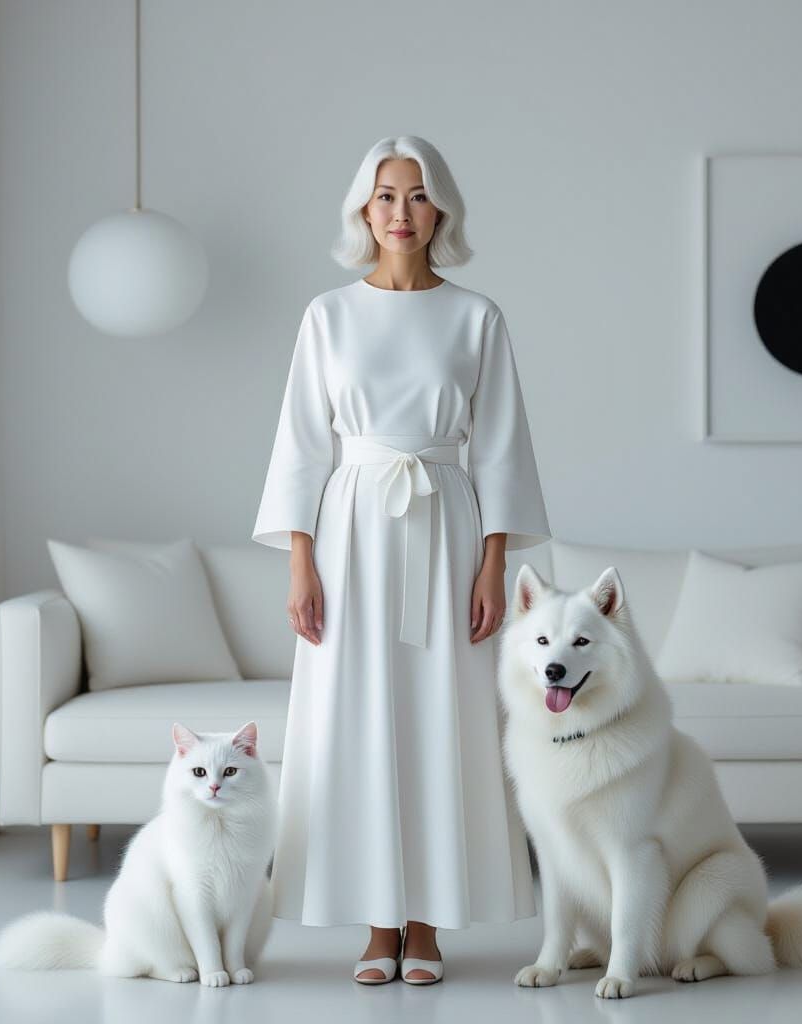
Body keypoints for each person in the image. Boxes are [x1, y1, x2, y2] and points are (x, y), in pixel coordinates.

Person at [251, 135, 552, 985]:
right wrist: (300, 566)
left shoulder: (476, 316)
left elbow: (500, 450)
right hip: (350, 529)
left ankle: (427, 926)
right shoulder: (327, 315)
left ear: (441, 209)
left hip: (448, 527)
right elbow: (302, 447)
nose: (400, 212)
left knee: (441, 717)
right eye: (385, 196)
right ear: (362, 209)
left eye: (417, 196)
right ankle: (377, 926)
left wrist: (494, 567)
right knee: (358, 719)